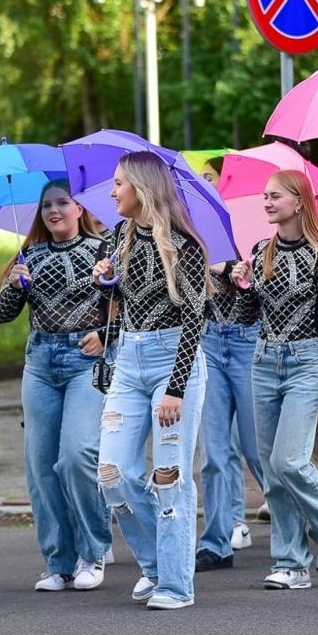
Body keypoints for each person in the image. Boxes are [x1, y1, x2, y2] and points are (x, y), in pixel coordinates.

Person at [92, 151, 209, 611]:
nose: (112, 191)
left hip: (173, 360)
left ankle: (176, 586)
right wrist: (105, 284)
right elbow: (123, 301)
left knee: (169, 475)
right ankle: (157, 564)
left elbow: (196, 318)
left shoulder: (185, 245)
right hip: (129, 360)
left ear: (141, 187)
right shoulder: (117, 236)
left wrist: (176, 389)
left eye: (119, 183)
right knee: (112, 475)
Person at [231, 170, 318, 591]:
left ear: (299, 201)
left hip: (306, 361)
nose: (266, 203)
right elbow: (247, 318)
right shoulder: (258, 250)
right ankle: (291, 563)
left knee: (290, 460)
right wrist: (243, 287)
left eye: (275, 196)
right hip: (263, 361)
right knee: (271, 470)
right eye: (264, 197)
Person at [0, 181, 112, 592]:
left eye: (63, 203)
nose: (54, 211)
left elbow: (128, 305)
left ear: (80, 208)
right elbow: (1, 315)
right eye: (47, 205)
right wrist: (14, 285)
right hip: (40, 364)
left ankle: (93, 552)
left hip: (86, 362)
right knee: (42, 466)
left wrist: (105, 334)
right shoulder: (30, 256)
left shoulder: (103, 250)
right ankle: (58, 562)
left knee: (78, 456)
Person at [194, 255, 262, 572]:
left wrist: (240, 271)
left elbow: (274, 292)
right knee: (213, 454)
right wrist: (211, 268)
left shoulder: (261, 237)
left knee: (258, 450)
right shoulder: (198, 234)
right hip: (208, 340)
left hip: (249, 342)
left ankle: (307, 522)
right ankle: (216, 544)